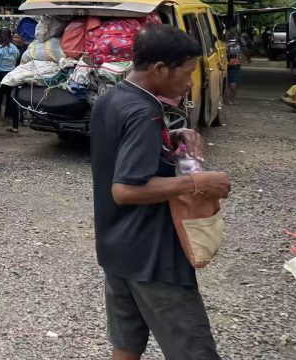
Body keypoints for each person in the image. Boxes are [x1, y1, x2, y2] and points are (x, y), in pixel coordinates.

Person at [91, 24, 231, 360]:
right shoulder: (145, 113)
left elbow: (122, 151)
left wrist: (171, 138)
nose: (189, 82)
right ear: (158, 69)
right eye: (186, 73)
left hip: (116, 249)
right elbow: (125, 189)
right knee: (194, 352)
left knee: (126, 345)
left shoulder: (112, 98)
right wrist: (198, 182)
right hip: (152, 256)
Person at [224, 29, 243, 105]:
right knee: (231, 85)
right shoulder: (225, 45)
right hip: (229, 66)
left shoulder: (238, 45)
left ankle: (231, 98)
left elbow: (240, 56)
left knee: (234, 85)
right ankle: (229, 99)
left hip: (235, 66)